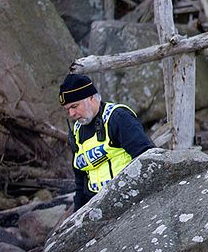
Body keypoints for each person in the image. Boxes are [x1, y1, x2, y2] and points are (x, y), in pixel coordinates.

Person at [59, 73, 154, 210]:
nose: (71, 114)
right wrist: (77, 213)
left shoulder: (118, 118)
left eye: (75, 106)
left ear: (91, 98)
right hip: (94, 207)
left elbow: (147, 158)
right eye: (67, 109)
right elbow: (80, 178)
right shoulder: (77, 130)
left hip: (128, 202)